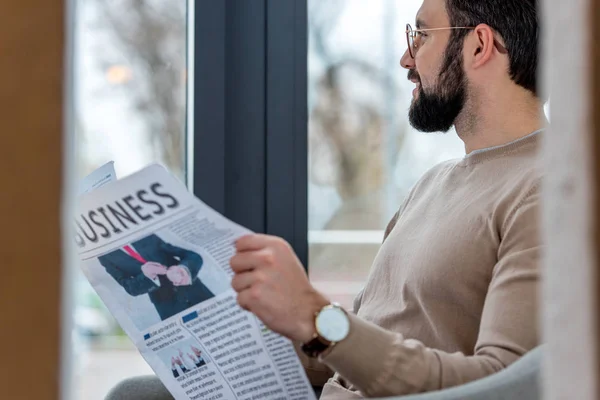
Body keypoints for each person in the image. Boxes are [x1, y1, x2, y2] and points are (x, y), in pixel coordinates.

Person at [105, 0, 544, 398]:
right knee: (135, 394)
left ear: (480, 45)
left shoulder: (545, 192)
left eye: (422, 35)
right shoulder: (432, 183)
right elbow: (362, 347)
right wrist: (251, 338)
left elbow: (500, 384)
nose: (406, 59)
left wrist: (315, 315)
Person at [98, 234, 215, 322]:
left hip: (197, 294)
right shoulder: (104, 256)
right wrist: (147, 276)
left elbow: (192, 256)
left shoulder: (143, 235)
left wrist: (183, 269)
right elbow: (130, 287)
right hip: (167, 306)